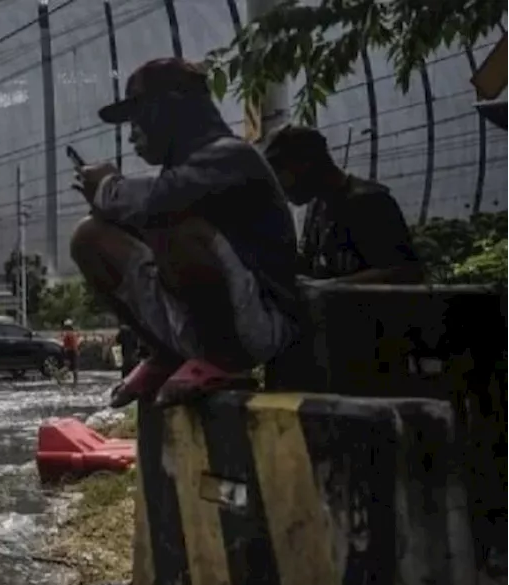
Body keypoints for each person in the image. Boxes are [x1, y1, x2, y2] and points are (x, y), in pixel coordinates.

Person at [68, 57, 303, 407]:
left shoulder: (230, 156)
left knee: (173, 222)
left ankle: (226, 361)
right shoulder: (183, 171)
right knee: (89, 238)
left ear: (170, 110)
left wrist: (108, 190)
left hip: (258, 322)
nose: (132, 133)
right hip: (199, 320)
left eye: (139, 117)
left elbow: (164, 199)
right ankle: (166, 354)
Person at [261, 124, 426, 285]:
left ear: (304, 164)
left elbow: (403, 271)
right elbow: (311, 266)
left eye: (280, 173)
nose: (279, 186)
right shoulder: (317, 206)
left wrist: (331, 286)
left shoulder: (370, 203)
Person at [61, 319, 81, 384]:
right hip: (73, 351)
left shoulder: (67, 333)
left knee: (68, 366)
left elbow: (66, 344)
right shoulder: (71, 333)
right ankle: (75, 382)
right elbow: (74, 343)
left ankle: (60, 377)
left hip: (70, 351)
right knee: (74, 368)